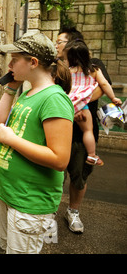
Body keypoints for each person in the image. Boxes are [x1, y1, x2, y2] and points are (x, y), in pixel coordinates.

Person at [0, 32, 74, 254]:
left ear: (33, 62)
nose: (9, 65)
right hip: (9, 194)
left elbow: (60, 159)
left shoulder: (54, 99)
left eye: (15, 59)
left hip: (29, 203)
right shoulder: (29, 93)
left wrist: (12, 140)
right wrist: (10, 89)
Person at [55, 26, 113, 234]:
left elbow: (102, 87)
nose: (56, 45)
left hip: (82, 131)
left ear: (72, 44)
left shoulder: (93, 65)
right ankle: (50, 211)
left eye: (60, 41)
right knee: (54, 174)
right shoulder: (59, 67)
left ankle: (73, 211)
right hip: (59, 131)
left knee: (79, 176)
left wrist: (78, 105)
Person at [64, 40, 122, 166]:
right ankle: (91, 155)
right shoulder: (94, 70)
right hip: (83, 105)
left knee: (65, 130)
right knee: (87, 131)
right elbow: (104, 84)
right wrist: (113, 98)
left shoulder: (67, 71)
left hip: (67, 105)